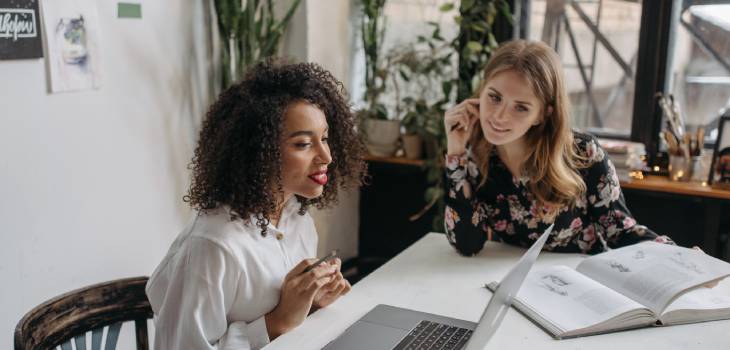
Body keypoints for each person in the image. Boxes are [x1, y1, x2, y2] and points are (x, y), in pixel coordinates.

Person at [146, 59, 367, 349]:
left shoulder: (297, 220)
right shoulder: (213, 245)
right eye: (303, 144)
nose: (326, 156)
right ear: (259, 152)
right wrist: (278, 322)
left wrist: (311, 302)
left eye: (324, 138)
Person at [443, 40, 672, 256]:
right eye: (494, 97)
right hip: (511, 283)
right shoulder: (475, 157)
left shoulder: (583, 153)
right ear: (481, 91)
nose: (499, 116)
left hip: (577, 285)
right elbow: (467, 244)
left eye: (521, 108)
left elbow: (620, 231)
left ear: (543, 114)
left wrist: (676, 257)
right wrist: (455, 153)